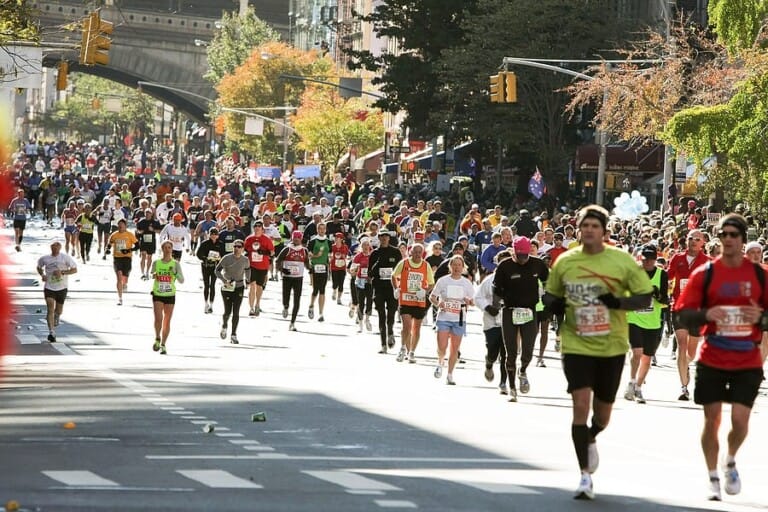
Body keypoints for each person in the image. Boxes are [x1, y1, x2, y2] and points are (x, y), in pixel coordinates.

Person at [543, 205, 653, 500]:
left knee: (603, 414)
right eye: (585, 226)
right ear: (578, 230)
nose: (589, 230)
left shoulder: (621, 261)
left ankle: (591, 436)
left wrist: (617, 302)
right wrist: (554, 304)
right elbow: (550, 294)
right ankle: (584, 475)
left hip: (611, 345)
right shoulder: (566, 261)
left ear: (604, 231)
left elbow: (644, 297)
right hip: (576, 342)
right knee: (580, 403)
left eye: (595, 226)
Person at [673, 213, 767, 501]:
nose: (727, 239)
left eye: (733, 235)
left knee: (739, 421)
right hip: (713, 355)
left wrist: (760, 317)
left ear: (743, 239)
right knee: (711, 419)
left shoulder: (759, 275)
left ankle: (730, 459)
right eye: (723, 234)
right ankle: (713, 476)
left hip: (747, 358)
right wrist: (707, 314)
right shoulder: (706, 274)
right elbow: (683, 314)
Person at [493, 237, 550, 402]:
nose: (523, 260)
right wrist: (497, 303)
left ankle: (523, 370)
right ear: (513, 252)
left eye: (526, 256)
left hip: (529, 311)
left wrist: (548, 296)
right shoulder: (504, 266)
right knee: (510, 352)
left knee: (528, 350)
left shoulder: (537, 264)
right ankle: (512, 388)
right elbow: (496, 287)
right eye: (520, 256)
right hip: (510, 311)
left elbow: (548, 280)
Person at [623, 245, 669, 404]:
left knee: (647, 358)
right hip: (633, 318)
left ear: (655, 259)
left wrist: (657, 293)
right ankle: (631, 381)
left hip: (652, 321)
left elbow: (665, 300)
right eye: (645, 258)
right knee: (637, 352)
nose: (647, 262)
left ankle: (638, 387)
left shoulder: (662, 274)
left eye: (650, 259)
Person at [668, 228, 709, 400]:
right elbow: (668, 277)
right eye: (691, 238)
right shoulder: (677, 258)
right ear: (686, 240)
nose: (693, 241)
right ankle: (684, 387)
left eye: (697, 239)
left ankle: (685, 365)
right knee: (682, 346)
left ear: (703, 243)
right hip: (679, 308)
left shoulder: (708, 262)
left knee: (691, 353)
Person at [430, 255, 475, 384]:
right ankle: (440, 362)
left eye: (459, 265)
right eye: (454, 265)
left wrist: (469, 301)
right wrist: (439, 303)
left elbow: (473, 301)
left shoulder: (466, 283)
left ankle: (450, 374)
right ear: (450, 267)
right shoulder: (443, 281)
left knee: (455, 348)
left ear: (463, 267)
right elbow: (432, 297)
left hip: (459, 319)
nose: (456, 267)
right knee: (442, 346)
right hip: (444, 317)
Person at [391, 243, 435, 363]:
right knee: (406, 326)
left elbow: (431, 283)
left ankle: (412, 352)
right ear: (411, 252)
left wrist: (425, 291)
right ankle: (402, 349)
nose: (417, 254)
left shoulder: (426, 265)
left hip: (419, 301)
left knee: (416, 329)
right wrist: (396, 288)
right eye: (415, 252)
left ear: (422, 253)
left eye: (419, 252)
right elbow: (393, 276)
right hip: (405, 299)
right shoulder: (404, 263)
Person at [475, 249, 509, 394]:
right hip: (491, 322)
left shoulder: (515, 279)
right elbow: (477, 297)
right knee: (493, 351)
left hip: (508, 322)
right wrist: (488, 307)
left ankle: (503, 382)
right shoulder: (489, 280)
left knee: (506, 354)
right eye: (502, 262)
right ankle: (489, 362)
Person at [36, 240, 77, 343]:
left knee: (58, 310)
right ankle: (52, 332)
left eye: (57, 246)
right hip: (49, 287)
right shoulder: (45, 258)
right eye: (53, 246)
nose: (55, 248)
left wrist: (62, 272)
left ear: (60, 248)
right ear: (51, 247)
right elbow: (39, 267)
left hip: (62, 287)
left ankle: (57, 316)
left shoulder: (65, 258)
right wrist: (42, 275)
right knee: (50, 309)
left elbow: (74, 269)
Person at [369, 230, 402, 353]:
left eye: (386, 236)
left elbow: (400, 270)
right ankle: (383, 344)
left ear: (389, 238)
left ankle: (391, 331)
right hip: (378, 288)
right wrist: (377, 265)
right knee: (381, 315)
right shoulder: (375, 253)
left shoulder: (395, 252)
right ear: (379, 238)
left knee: (391, 314)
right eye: (381, 236)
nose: (384, 239)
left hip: (392, 287)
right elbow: (370, 273)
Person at [150, 240, 185, 354]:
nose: (167, 249)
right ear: (162, 249)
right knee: (158, 318)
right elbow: (151, 274)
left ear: (172, 249)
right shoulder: (156, 262)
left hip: (170, 294)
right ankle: (157, 337)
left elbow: (182, 280)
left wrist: (174, 273)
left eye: (169, 247)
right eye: (165, 247)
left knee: (167, 320)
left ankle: (163, 344)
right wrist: (154, 275)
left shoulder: (175, 264)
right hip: (158, 293)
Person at [215, 238, 250, 343]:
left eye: (239, 247)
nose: (236, 248)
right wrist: (224, 280)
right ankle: (224, 325)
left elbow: (248, 270)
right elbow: (217, 270)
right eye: (235, 246)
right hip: (227, 286)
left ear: (242, 249)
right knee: (227, 311)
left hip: (239, 286)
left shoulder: (245, 260)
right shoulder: (226, 258)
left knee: (236, 311)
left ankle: (233, 335)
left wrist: (248, 281)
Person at [276, 232, 310, 331]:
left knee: (297, 300)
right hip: (287, 277)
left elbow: (307, 263)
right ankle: (286, 307)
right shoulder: (287, 249)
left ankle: (292, 322)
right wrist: (282, 270)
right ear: (292, 238)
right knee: (286, 297)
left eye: (298, 238)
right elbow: (277, 261)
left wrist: (311, 269)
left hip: (298, 278)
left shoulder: (304, 250)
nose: (296, 239)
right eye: (295, 238)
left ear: (301, 239)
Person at [243, 220, 274, 317]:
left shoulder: (267, 239)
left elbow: (272, 252)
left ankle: (257, 304)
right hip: (251, 265)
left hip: (263, 266)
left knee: (259, 286)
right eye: (255, 226)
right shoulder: (249, 239)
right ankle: (251, 308)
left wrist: (264, 252)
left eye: (259, 226)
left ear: (262, 229)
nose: (257, 227)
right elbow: (244, 250)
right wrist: (246, 254)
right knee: (252, 285)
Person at [108, 219, 139, 305]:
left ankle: (125, 284)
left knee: (125, 277)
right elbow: (109, 244)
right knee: (119, 277)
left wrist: (128, 250)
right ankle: (120, 298)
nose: (120, 226)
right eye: (119, 225)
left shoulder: (130, 235)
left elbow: (137, 246)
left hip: (127, 258)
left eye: (122, 225)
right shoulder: (114, 235)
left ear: (125, 226)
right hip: (117, 258)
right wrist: (107, 249)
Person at [196, 227, 225, 313]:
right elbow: (198, 254)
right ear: (209, 234)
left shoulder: (220, 244)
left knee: (212, 285)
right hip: (206, 266)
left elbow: (223, 255)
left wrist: (219, 260)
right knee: (206, 285)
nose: (213, 236)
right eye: (212, 234)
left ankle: (211, 305)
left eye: (215, 234)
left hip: (215, 267)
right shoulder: (204, 243)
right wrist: (205, 258)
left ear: (218, 235)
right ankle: (206, 304)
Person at [307, 222, 331, 322]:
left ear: (325, 230)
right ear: (317, 230)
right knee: (315, 290)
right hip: (315, 268)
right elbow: (309, 255)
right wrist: (317, 255)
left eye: (323, 229)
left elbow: (330, 255)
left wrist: (330, 269)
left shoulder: (328, 242)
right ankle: (311, 305)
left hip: (324, 268)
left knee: (322, 290)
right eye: (320, 228)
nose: (322, 230)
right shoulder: (312, 241)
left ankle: (321, 313)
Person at [350, 237, 373, 333]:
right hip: (359, 282)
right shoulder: (358, 256)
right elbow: (352, 270)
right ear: (361, 246)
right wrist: (356, 269)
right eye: (364, 245)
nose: (366, 247)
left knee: (370, 302)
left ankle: (367, 319)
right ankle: (360, 325)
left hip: (369, 282)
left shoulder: (372, 256)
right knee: (361, 303)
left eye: (367, 245)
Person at [135, 208, 162, 280]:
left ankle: (147, 271)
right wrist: (139, 232)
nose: (147, 214)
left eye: (149, 213)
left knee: (149, 257)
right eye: (146, 213)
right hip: (143, 240)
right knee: (143, 256)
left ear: (151, 214)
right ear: (144, 213)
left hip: (151, 241)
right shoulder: (141, 221)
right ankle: (142, 273)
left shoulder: (155, 222)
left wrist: (153, 230)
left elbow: (160, 231)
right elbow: (137, 230)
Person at [330, 233, 349, 305]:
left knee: (341, 283)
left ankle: (339, 298)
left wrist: (344, 256)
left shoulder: (345, 247)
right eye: (335, 238)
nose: (336, 239)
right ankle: (334, 290)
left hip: (342, 267)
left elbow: (346, 256)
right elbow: (330, 255)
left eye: (337, 238)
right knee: (335, 283)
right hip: (334, 267)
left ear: (341, 239)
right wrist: (331, 256)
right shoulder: (332, 246)